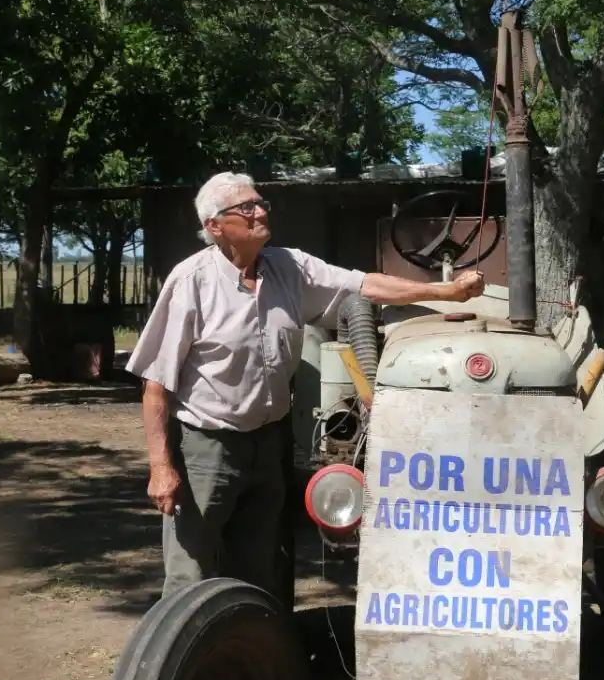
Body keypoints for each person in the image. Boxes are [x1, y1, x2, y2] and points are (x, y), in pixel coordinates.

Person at [126, 171, 486, 598]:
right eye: (246, 207)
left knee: (259, 565)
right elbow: (155, 386)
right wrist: (161, 467)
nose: (260, 212)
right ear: (215, 226)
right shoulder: (191, 281)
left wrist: (446, 292)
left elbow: (365, 284)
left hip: (270, 443)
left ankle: (256, 640)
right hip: (206, 448)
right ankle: (185, 640)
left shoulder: (290, 267)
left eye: (261, 203)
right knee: (191, 571)